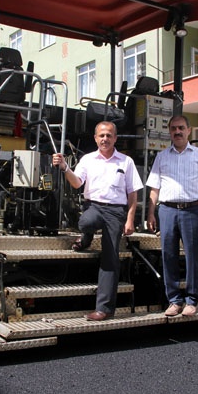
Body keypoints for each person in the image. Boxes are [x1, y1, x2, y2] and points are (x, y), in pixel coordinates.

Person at [52, 121, 143, 321]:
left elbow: (132, 193)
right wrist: (65, 167)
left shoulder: (126, 162)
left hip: (115, 212)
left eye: (109, 135)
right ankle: (86, 238)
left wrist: (130, 219)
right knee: (86, 223)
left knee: (110, 258)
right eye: (101, 135)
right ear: (95, 138)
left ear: (115, 138)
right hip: (93, 207)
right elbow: (77, 183)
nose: (105, 139)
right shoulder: (88, 159)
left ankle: (104, 309)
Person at [146, 115, 198, 317]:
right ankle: (174, 301)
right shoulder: (162, 157)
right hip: (167, 211)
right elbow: (154, 188)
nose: (177, 132)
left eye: (181, 128)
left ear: (189, 130)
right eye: (173, 129)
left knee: (193, 256)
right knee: (168, 256)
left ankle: (192, 300)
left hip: (192, 211)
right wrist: (151, 214)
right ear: (169, 132)